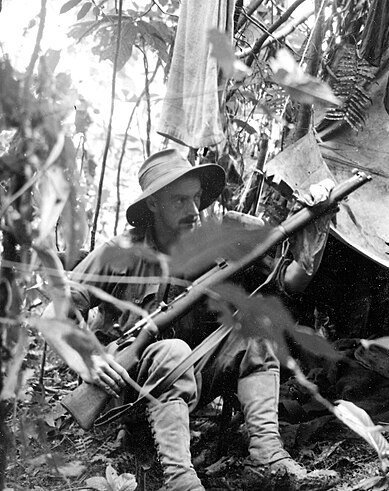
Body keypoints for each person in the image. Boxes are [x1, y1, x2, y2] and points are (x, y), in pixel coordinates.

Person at [47, 149, 337, 490]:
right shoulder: (119, 251)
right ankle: (180, 480)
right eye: (180, 201)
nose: (193, 211)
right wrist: (89, 360)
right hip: (128, 390)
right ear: (153, 204)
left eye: (197, 198)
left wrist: (316, 227)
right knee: (172, 351)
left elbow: (291, 280)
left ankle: (269, 456)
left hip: (191, 381)